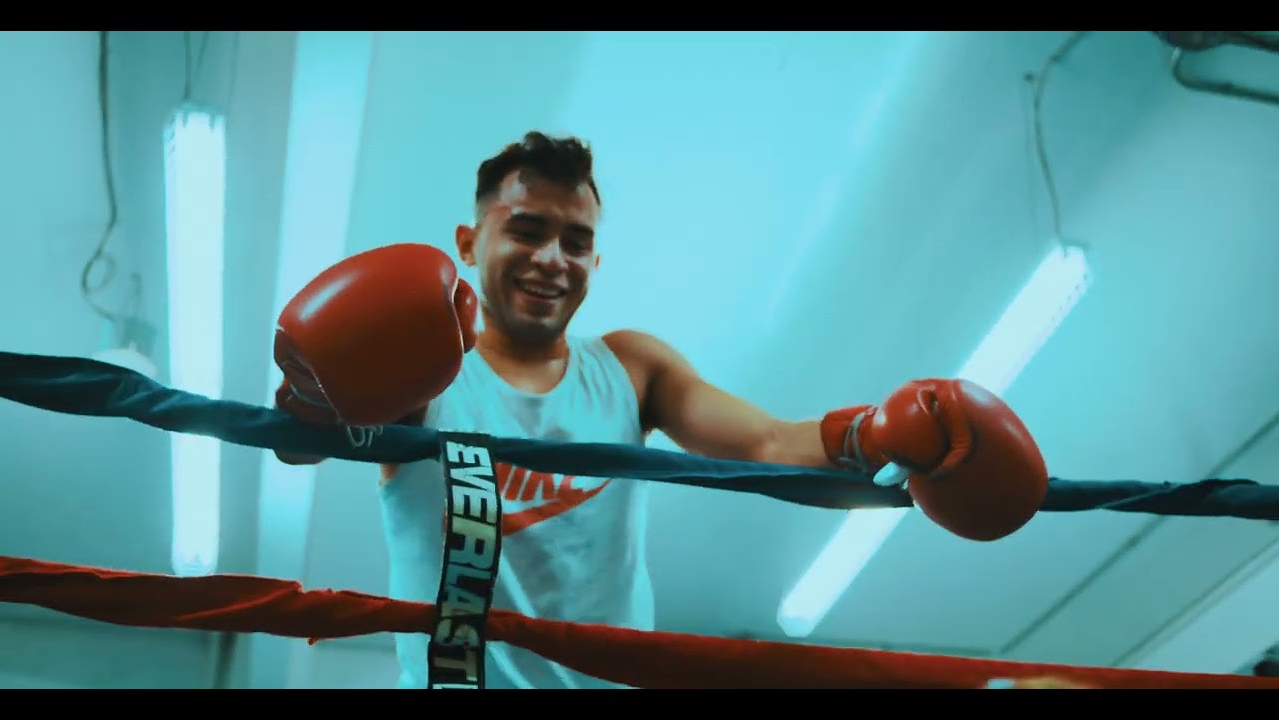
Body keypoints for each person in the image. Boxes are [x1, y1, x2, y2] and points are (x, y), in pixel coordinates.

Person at [270, 131, 1049, 689]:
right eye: (528, 230)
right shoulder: (427, 373)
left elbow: (767, 441)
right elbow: (302, 447)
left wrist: (873, 434)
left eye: (576, 242)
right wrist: (311, 397)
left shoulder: (631, 367)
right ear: (469, 242)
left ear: (596, 262)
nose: (552, 260)